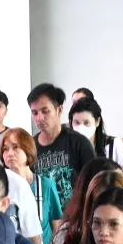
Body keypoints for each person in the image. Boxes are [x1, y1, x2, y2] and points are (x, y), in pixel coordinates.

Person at [29, 82, 98, 215]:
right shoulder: (30, 147)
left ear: (59, 110)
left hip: (74, 220)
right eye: (35, 113)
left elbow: (94, 183)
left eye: (45, 111)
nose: (39, 118)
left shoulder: (79, 143)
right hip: (44, 222)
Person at [2, 127, 64, 244]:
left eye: (16, 147)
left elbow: (57, 227)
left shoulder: (46, 185)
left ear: (28, 150)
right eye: (5, 149)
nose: (9, 153)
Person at [71, 96, 123, 176]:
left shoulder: (114, 145)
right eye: (76, 122)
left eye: (86, 123)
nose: (81, 128)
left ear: (97, 121)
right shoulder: (67, 147)